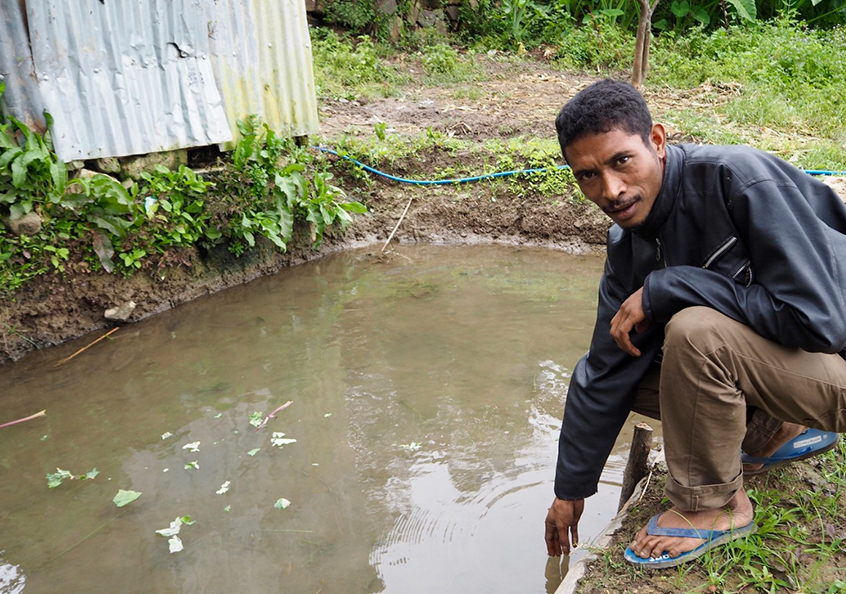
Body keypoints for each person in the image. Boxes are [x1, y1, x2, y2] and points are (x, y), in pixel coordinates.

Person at [543, 79, 846, 568]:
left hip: (837, 358)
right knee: (634, 359)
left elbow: (819, 323)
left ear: (657, 142)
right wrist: (570, 489)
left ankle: (716, 507)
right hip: (796, 365)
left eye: (621, 161)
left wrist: (673, 286)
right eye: (588, 175)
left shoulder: (737, 179)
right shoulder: (627, 244)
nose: (611, 190)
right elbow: (604, 368)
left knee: (696, 333)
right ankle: (776, 427)